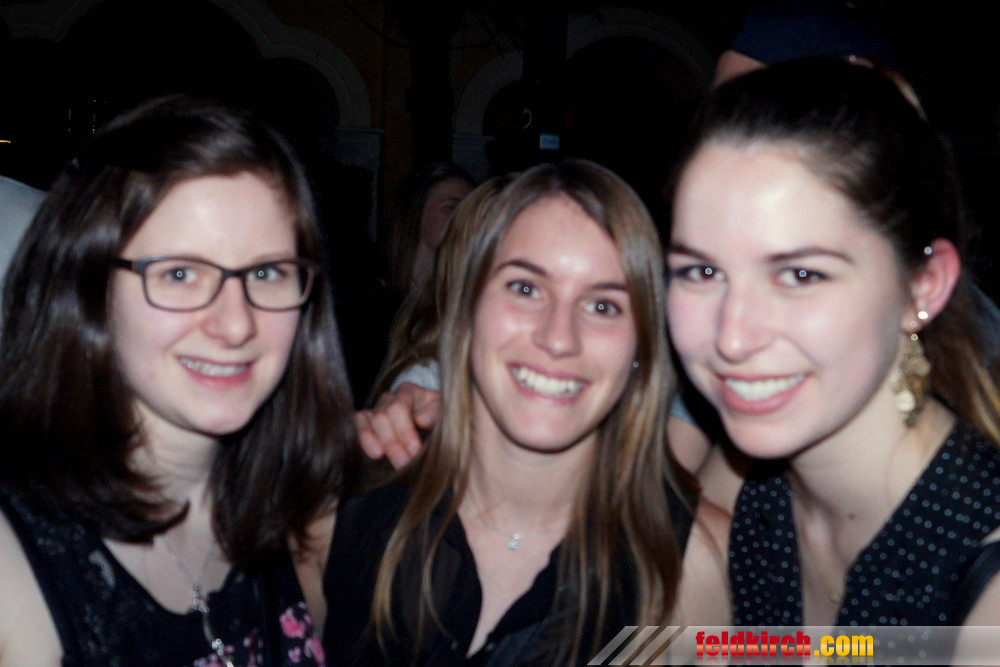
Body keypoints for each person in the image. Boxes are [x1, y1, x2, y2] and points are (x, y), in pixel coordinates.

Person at [0, 95, 355, 664]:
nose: (236, 324)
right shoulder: (14, 565)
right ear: (88, 287)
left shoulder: (306, 522)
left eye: (267, 272)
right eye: (181, 273)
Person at [668, 58, 1000, 627]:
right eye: (701, 272)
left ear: (923, 285)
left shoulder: (982, 577)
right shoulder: (745, 484)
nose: (733, 338)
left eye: (801, 275)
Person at [324, 160, 689, 664]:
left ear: (641, 345)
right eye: (525, 288)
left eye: (603, 305)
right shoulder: (345, 510)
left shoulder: (685, 565)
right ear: (467, 308)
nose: (558, 338)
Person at [379, 161, 475, 304]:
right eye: (452, 207)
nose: (466, 218)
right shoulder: (366, 297)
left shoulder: (466, 298)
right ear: (414, 211)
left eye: (472, 210)